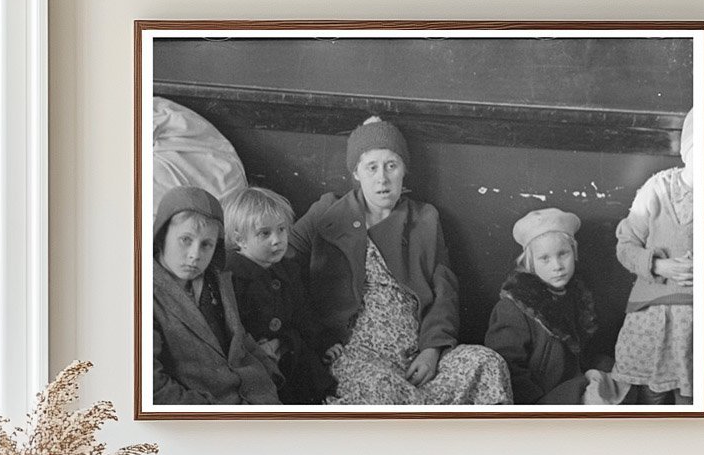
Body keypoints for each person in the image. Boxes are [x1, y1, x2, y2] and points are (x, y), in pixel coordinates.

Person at [289, 115, 511, 405]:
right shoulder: (329, 212)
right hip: (355, 356)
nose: (382, 178)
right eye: (372, 167)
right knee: (383, 390)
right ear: (356, 172)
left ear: (404, 170)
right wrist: (315, 337)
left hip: (415, 355)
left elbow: (444, 290)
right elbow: (282, 263)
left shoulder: (424, 218)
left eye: (391, 166)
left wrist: (432, 349)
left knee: (487, 363)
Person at [152, 185, 280, 405]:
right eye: (185, 240)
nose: (195, 255)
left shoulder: (216, 280)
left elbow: (238, 338)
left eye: (206, 245)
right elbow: (154, 389)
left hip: (257, 396)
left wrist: (269, 373)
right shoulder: (143, 297)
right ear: (162, 236)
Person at [485, 208, 624, 405]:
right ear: (530, 262)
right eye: (545, 258)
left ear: (573, 252)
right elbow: (506, 368)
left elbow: (584, 354)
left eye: (563, 254)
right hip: (542, 397)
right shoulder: (514, 307)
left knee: (624, 380)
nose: (557, 265)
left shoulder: (576, 296)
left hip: (575, 384)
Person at [611, 108, 697, 404]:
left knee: (694, 402)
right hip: (653, 315)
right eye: (700, 149)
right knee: (653, 398)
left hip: (699, 321)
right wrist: (660, 265)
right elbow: (625, 246)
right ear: (687, 151)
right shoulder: (658, 188)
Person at [223, 186, 334, 404]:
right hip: (253, 354)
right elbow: (231, 326)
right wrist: (255, 348)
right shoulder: (231, 276)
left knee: (314, 379)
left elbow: (304, 313)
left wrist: (324, 342)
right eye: (265, 233)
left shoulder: (288, 269)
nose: (277, 240)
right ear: (240, 239)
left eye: (282, 230)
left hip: (288, 348)